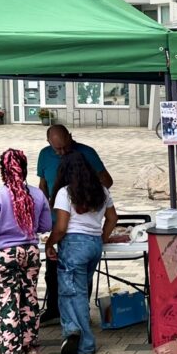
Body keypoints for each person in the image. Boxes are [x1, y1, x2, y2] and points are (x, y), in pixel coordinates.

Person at [0, 149, 53, 354]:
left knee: (6, 301)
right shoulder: (37, 195)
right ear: (26, 169)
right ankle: (31, 350)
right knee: (29, 297)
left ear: (2, 171)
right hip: (30, 251)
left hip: (3, 254)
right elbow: (46, 225)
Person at [36, 125, 112, 323]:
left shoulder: (86, 153)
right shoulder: (44, 156)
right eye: (56, 149)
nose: (61, 153)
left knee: (77, 281)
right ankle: (55, 310)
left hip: (77, 227)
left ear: (70, 137)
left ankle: (76, 322)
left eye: (64, 147)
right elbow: (43, 185)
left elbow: (107, 182)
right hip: (58, 220)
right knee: (54, 272)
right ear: (48, 144)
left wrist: (87, 197)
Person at [46, 153, 118, 354]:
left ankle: (82, 339)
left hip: (73, 245)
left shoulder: (65, 193)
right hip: (94, 245)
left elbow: (61, 227)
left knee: (71, 292)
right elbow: (113, 218)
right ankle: (72, 330)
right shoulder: (102, 191)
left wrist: (50, 243)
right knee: (80, 290)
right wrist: (101, 237)